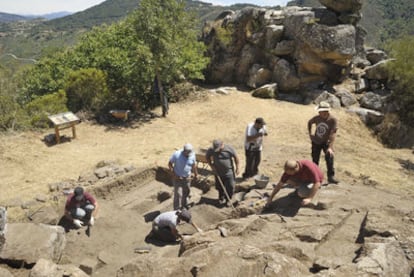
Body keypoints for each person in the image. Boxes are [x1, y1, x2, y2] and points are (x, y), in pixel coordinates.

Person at [308, 101, 339, 184]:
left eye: (321, 111)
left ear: (326, 112)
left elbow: (333, 134)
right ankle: (314, 176)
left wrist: (330, 147)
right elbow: (310, 122)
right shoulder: (317, 118)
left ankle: (331, 176)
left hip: (326, 142)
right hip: (316, 141)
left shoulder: (332, 120)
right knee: (315, 159)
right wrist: (310, 134)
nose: (319, 113)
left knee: (329, 157)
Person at [206, 139, 240, 205]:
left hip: (229, 173)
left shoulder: (229, 149)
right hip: (218, 173)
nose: (217, 150)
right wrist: (211, 166)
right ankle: (221, 198)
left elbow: (236, 158)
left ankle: (228, 200)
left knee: (230, 186)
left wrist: (237, 168)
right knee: (220, 187)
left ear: (222, 145)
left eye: (218, 148)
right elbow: (207, 157)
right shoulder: (211, 149)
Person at [168, 143, 198, 210]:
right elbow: (170, 164)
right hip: (177, 177)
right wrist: (174, 175)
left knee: (186, 192)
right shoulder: (177, 154)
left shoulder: (192, 155)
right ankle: (176, 210)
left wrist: (196, 174)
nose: (188, 156)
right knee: (178, 194)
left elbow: (194, 165)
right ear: (184, 151)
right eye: (187, 154)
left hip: (187, 177)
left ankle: (185, 206)